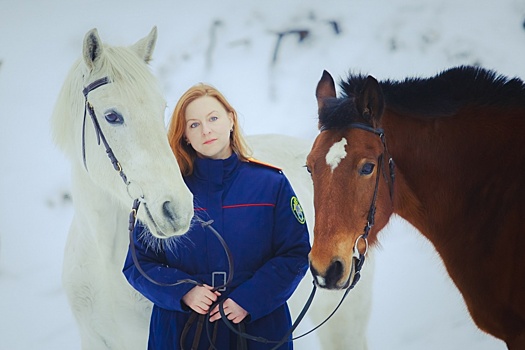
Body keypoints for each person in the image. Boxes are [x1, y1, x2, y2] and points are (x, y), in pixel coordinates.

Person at [123, 83, 311, 349]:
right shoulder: (165, 193)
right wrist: (183, 291)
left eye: (213, 118)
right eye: (194, 124)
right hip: (181, 333)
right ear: (185, 135)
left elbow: (294, 253)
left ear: (231, 120)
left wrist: (249, 299)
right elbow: (138, 264)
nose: (206, 130)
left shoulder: (271, 184)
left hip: (257, 329)